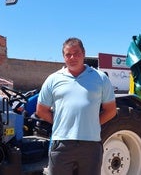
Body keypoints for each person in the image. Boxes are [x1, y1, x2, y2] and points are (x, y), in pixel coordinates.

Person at [36, 37, 117, 175]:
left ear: (83, 54)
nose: (72, 57)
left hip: (91, 146)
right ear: (63, 57)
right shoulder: (53, 79)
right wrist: (62, 123)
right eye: (68, 54)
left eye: (76, 53)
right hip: (61, 145)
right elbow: (41, 110)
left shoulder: (100, 78)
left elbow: (111, 111)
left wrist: (91, 123)